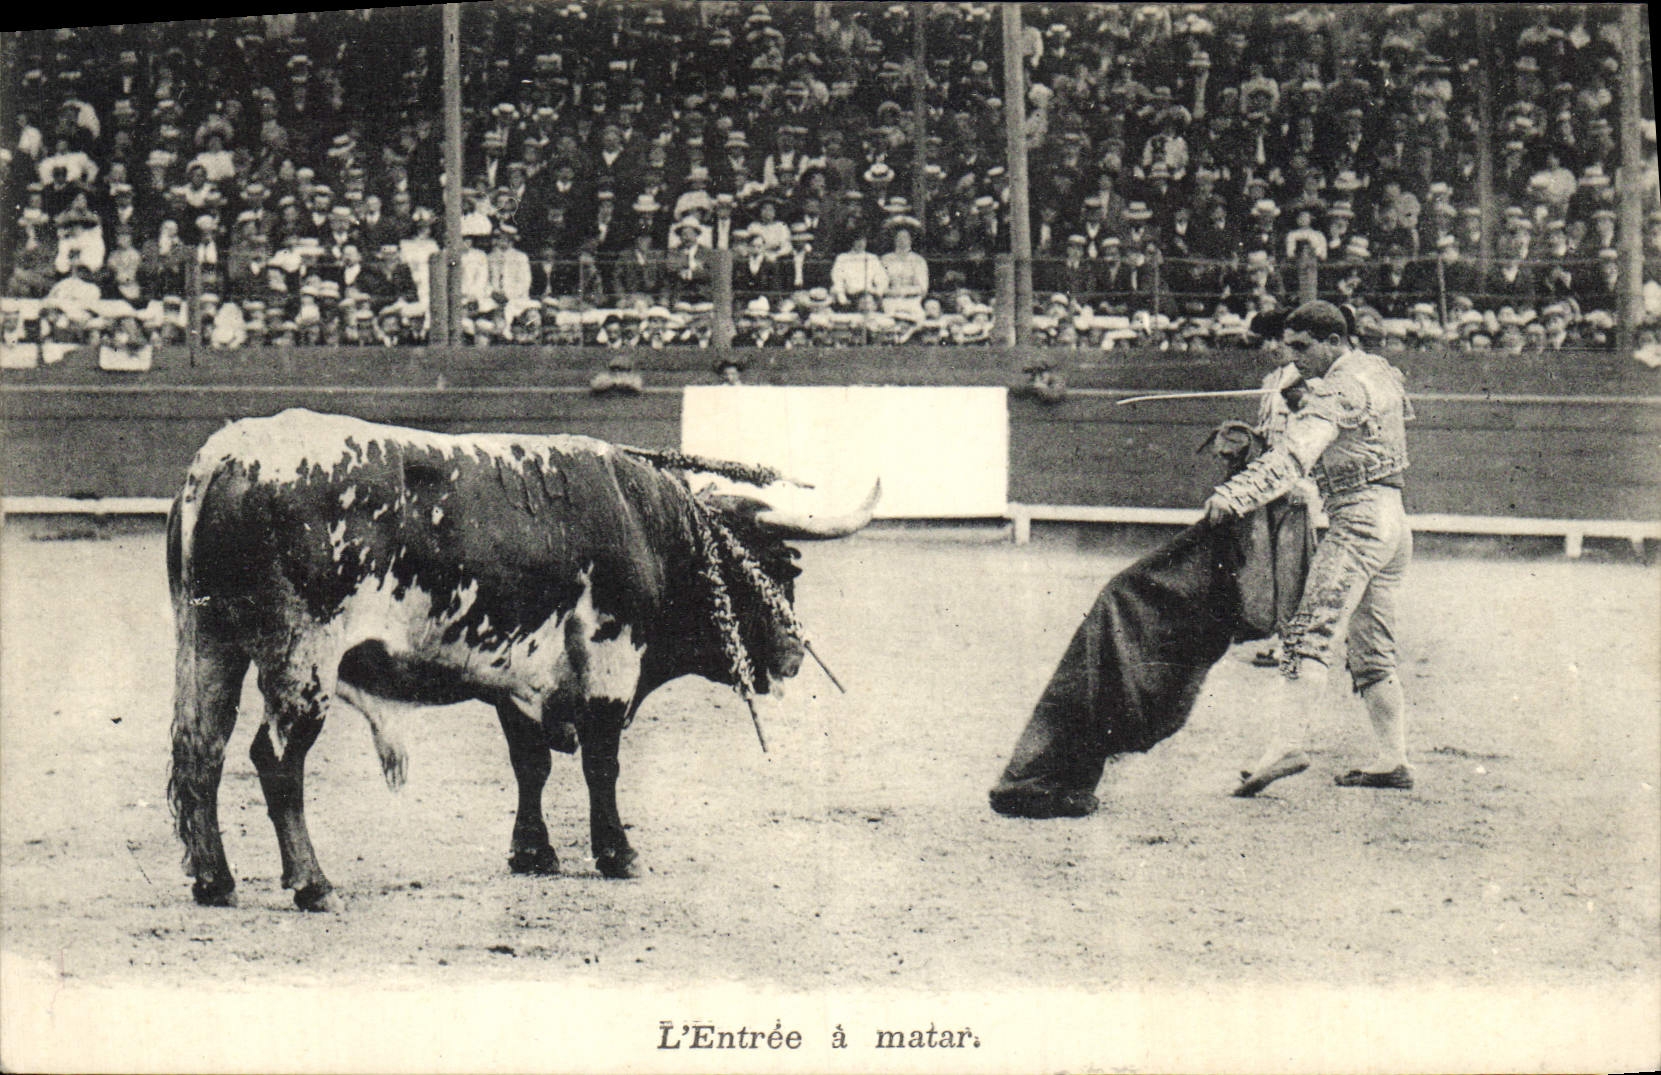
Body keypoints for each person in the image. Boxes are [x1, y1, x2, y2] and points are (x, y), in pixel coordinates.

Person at [1202, 300, 1415, 796]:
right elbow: (1359, 425)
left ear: (1334, 342)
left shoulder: (1338, 387)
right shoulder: (1376, 371)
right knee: (1372, 651)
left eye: (1303, 348)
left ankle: (1286, 745)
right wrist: (1301, 399)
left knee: (1305, 636)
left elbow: (1294, 457)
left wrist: (1233, 495)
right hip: (1394, 524)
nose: (1293, 358)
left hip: (1358, 524)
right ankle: (1393, 760)